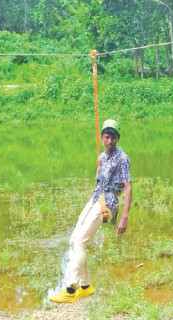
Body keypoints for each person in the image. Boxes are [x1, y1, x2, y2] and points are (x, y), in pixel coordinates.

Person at [49, 119, 132, 303]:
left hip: (107, 202)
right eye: (107, 137)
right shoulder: (102, 157)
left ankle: (70, 289)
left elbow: (128, 186)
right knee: (73, 241)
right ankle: (86, 286)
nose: (110, 141)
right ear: (102, 137)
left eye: (114, 137)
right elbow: (98, 183)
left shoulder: (122, 158)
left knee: (80, 242)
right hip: (95, 200)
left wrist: (124, 216)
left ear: (118, 139)